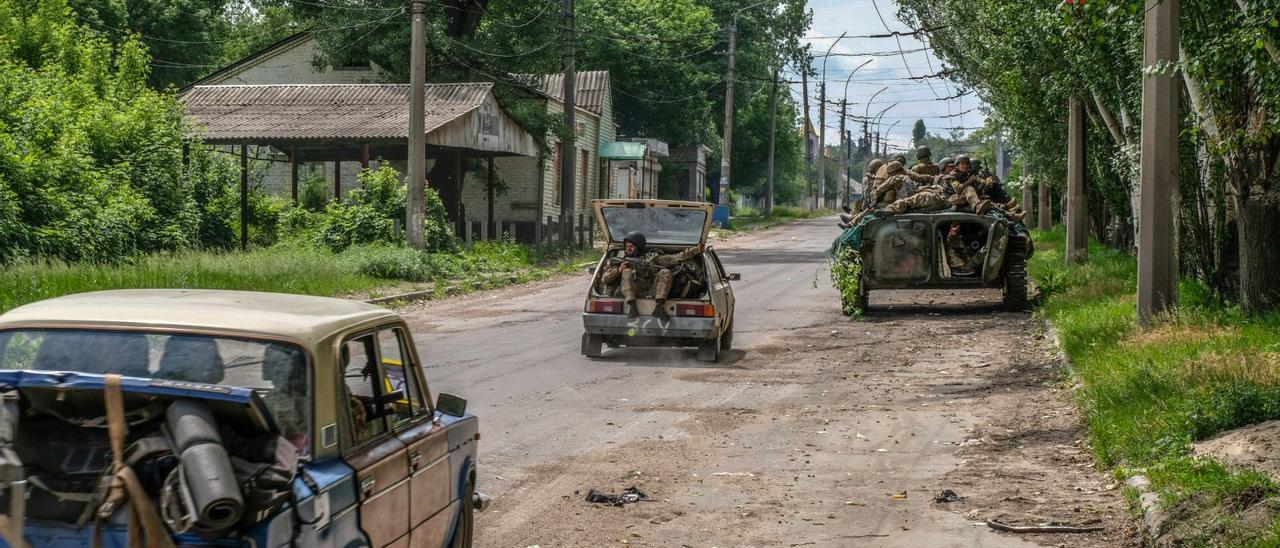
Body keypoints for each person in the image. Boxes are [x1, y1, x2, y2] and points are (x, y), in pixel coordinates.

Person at [598, 232, 706, 320]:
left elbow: (675, 258)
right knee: (627, 272)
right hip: (632, 294)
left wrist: (695, 250)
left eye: (631, 247)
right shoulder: (622, 262)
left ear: (638, 247)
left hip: (652, 292)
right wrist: (619, 270)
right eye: (626, 247)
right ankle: (632, 306)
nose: (628, 249)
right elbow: (605, 279)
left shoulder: (651, 258)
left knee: (665, 272)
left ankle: (659, 307)